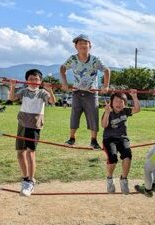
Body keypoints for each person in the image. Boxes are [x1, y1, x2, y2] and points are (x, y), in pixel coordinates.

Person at [9, 69, 56, 197]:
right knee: (20, 153)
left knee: (30, 153)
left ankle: (30, 182)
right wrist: (12, 86)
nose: (33, 81)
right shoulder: (24, 91)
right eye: (30, 79)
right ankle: (25, 179)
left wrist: (49, 89)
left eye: (36, 79)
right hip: (22, 123)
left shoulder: (42, 92)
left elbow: (52, 101)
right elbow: (12, 98)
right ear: (26, 80)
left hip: (34, 125)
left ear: (40, 81)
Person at [60, 34, 110, 149]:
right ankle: (72, 138)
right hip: (77, 92)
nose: (82, 45)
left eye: (85, 43)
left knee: (93, 116)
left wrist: (105, 86)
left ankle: (94, 140)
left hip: (91, 93)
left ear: (90, 46)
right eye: (79, 43)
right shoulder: (72, 59)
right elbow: (62, 68)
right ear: (75, 46)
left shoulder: (95, 60)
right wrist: (64, 82)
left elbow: (106, 70)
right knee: (74, 115)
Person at [101, 90, 140, 194]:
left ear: (125, 103)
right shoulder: (108, 111)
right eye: (116, 101)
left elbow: (137, 109)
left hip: (122, 138)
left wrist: (134, 96)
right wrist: (107, 113)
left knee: (127, 155)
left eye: (121, 101)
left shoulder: (125, 111)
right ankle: (109, 179)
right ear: (111, 103)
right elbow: (104, 125)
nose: (119, 104)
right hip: (109, 139)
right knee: (113, 158)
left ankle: (124, 179)